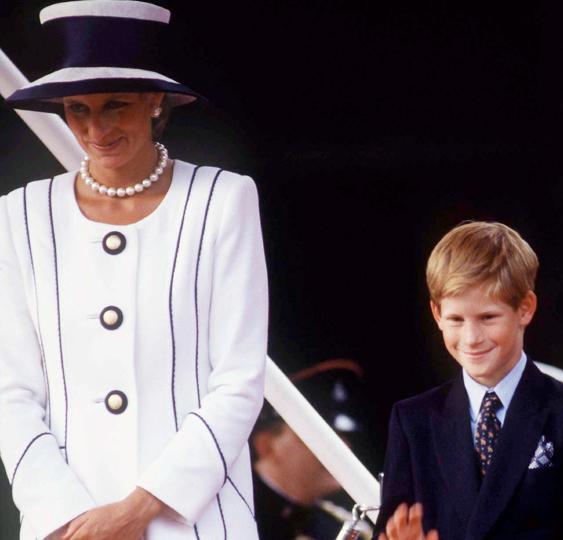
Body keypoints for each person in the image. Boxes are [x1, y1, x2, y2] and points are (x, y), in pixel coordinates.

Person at [0, 2, 267, 539]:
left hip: (196, 522)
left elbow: (238, 382)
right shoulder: (21, 214)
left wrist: (139, 511)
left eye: (114, 105)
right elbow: (12, 391)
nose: (95, 128)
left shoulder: (222, 200)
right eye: (77, 109)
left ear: (154, 101)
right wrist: (69, 517)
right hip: (64, 527)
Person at [375, 221, 563, 540]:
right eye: (456, 319)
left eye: (488, 317)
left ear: (525, 308)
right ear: (436, 314)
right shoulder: (413, 421)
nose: (471, 338)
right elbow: (392, 530)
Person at [251, 359, 374, 540]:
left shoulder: (346, 530)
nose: (344, 448)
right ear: (266, 445)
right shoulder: (229, 514)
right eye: (320, 438)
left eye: (344, 437)